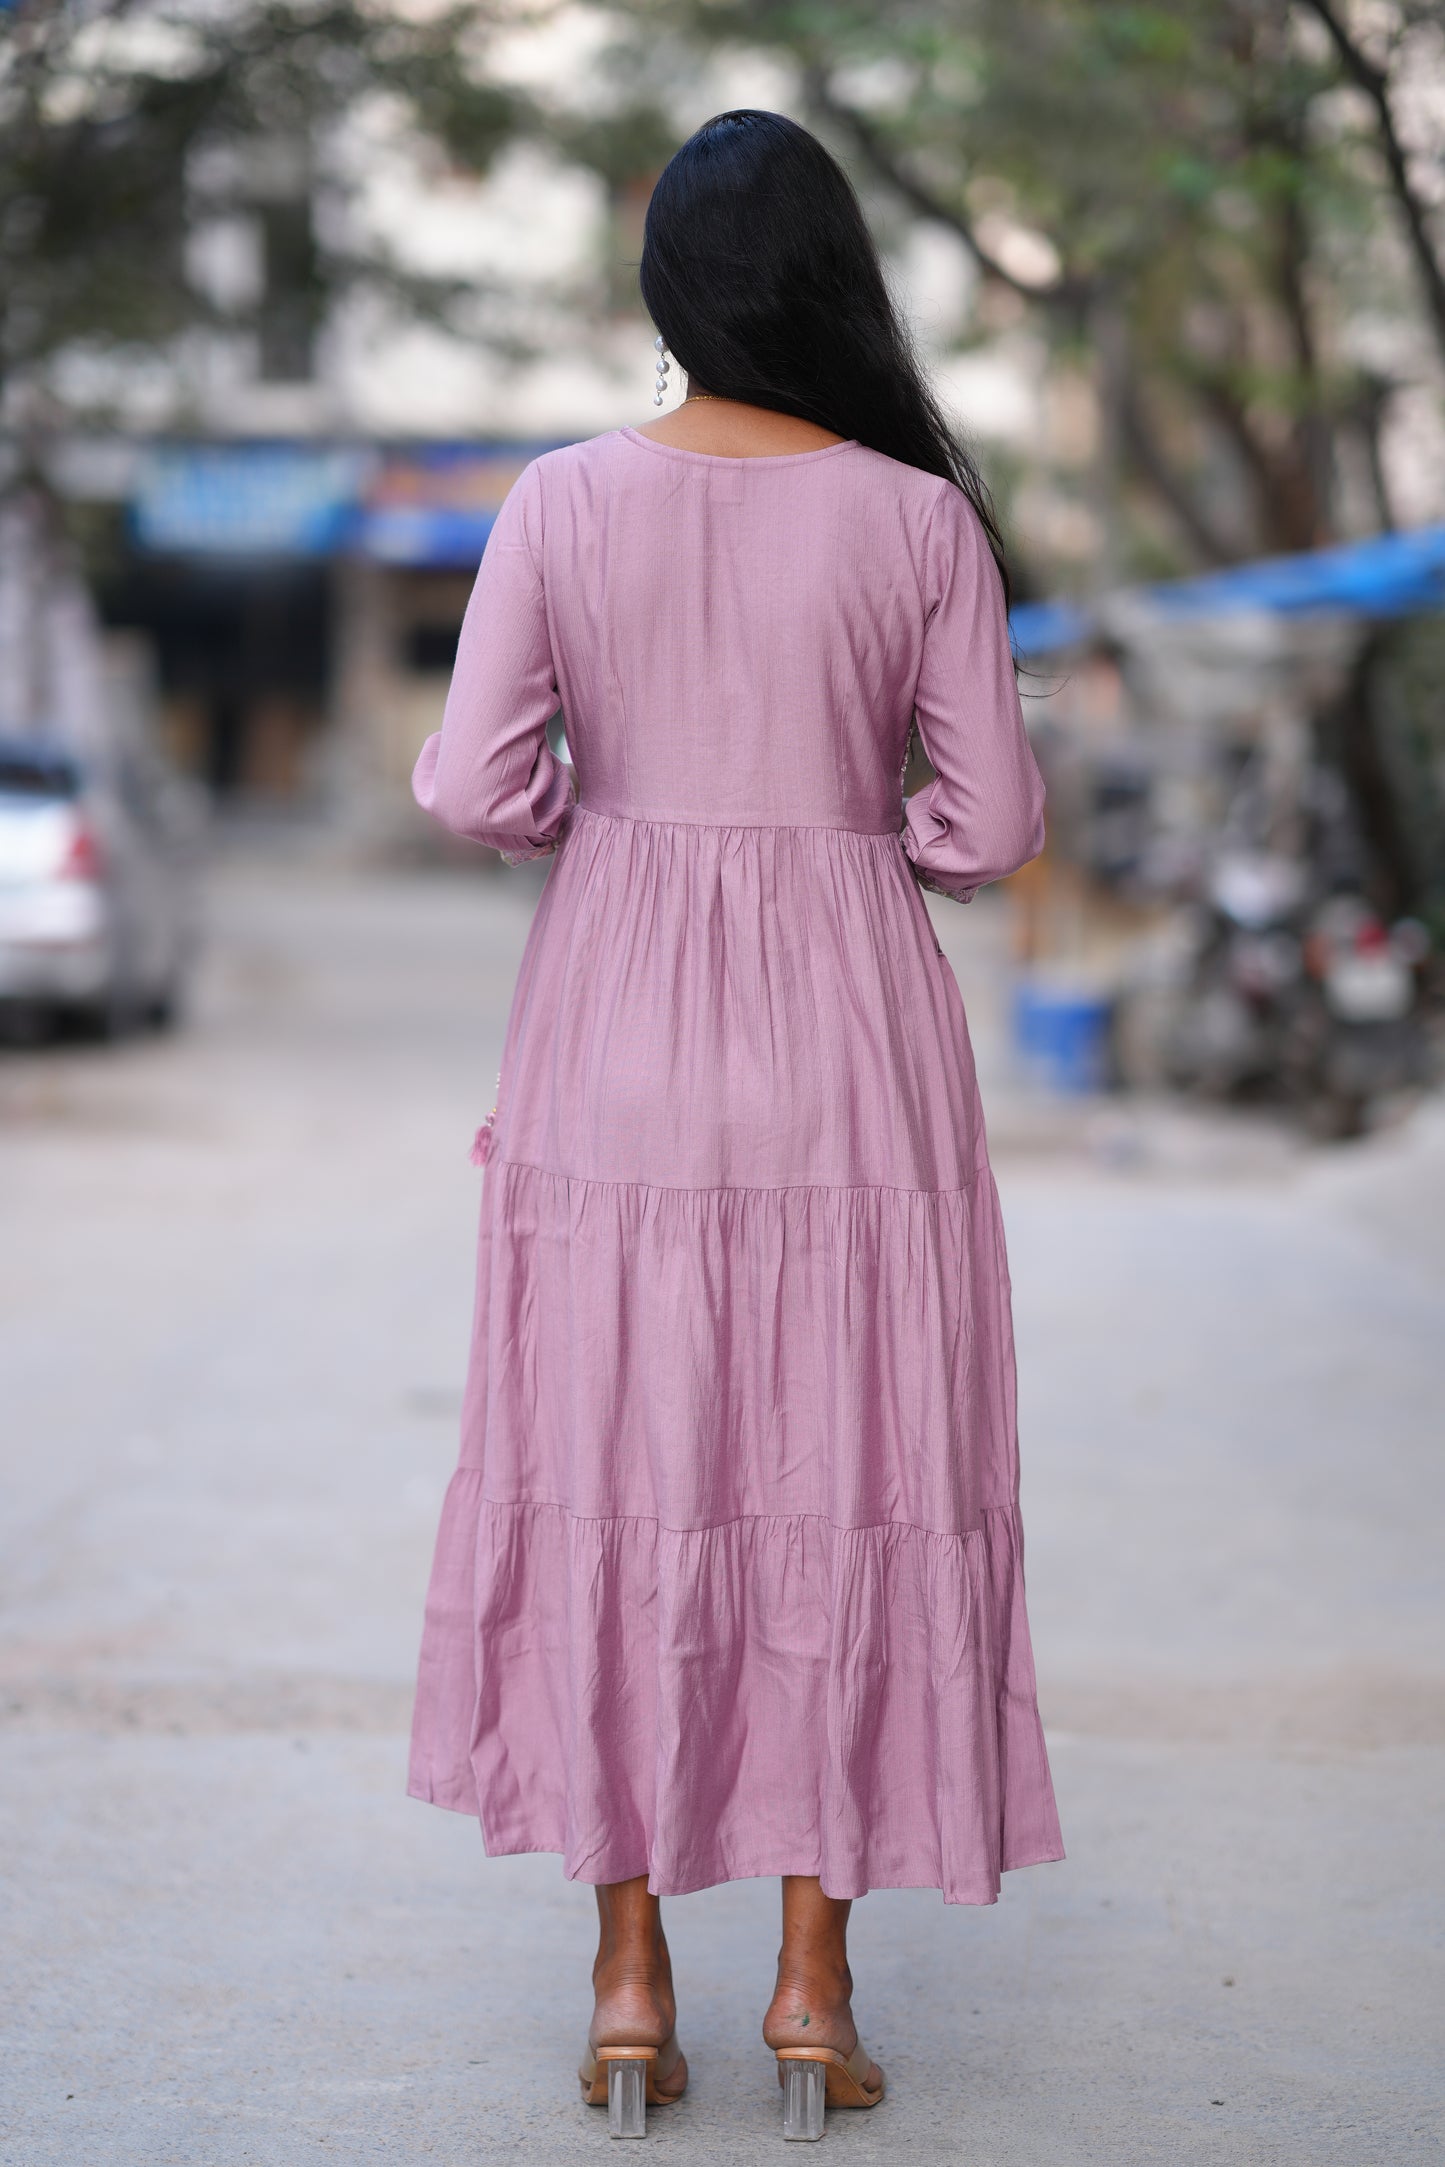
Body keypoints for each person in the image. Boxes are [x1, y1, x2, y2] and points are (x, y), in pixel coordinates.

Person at [406, 107, 1063, 2138]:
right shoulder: (919, 521)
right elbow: (991, 824)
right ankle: (810, 1985)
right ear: (836, 284)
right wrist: (865, 844)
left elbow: (469, 782)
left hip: (612, 1024)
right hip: (851, 1036)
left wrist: (598, 825)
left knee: (617, 1459)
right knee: (845, 1467)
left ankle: (626, 1984)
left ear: (669, 290)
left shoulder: (559, 501)